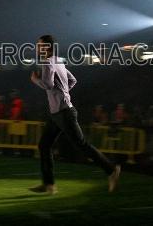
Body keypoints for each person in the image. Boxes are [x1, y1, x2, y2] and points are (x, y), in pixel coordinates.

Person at [29, 35, 120, 195]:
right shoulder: (58, 61)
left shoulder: (48, 61)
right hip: (58, 114)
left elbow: (48, 84)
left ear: (47, 47)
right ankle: (49, 185)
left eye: (39, 45)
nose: (37, 47)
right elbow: (73, 81)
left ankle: (111, 170)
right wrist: (63, 94)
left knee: (82, 145)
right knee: (44, 145)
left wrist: (35, 80)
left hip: (63, 113)